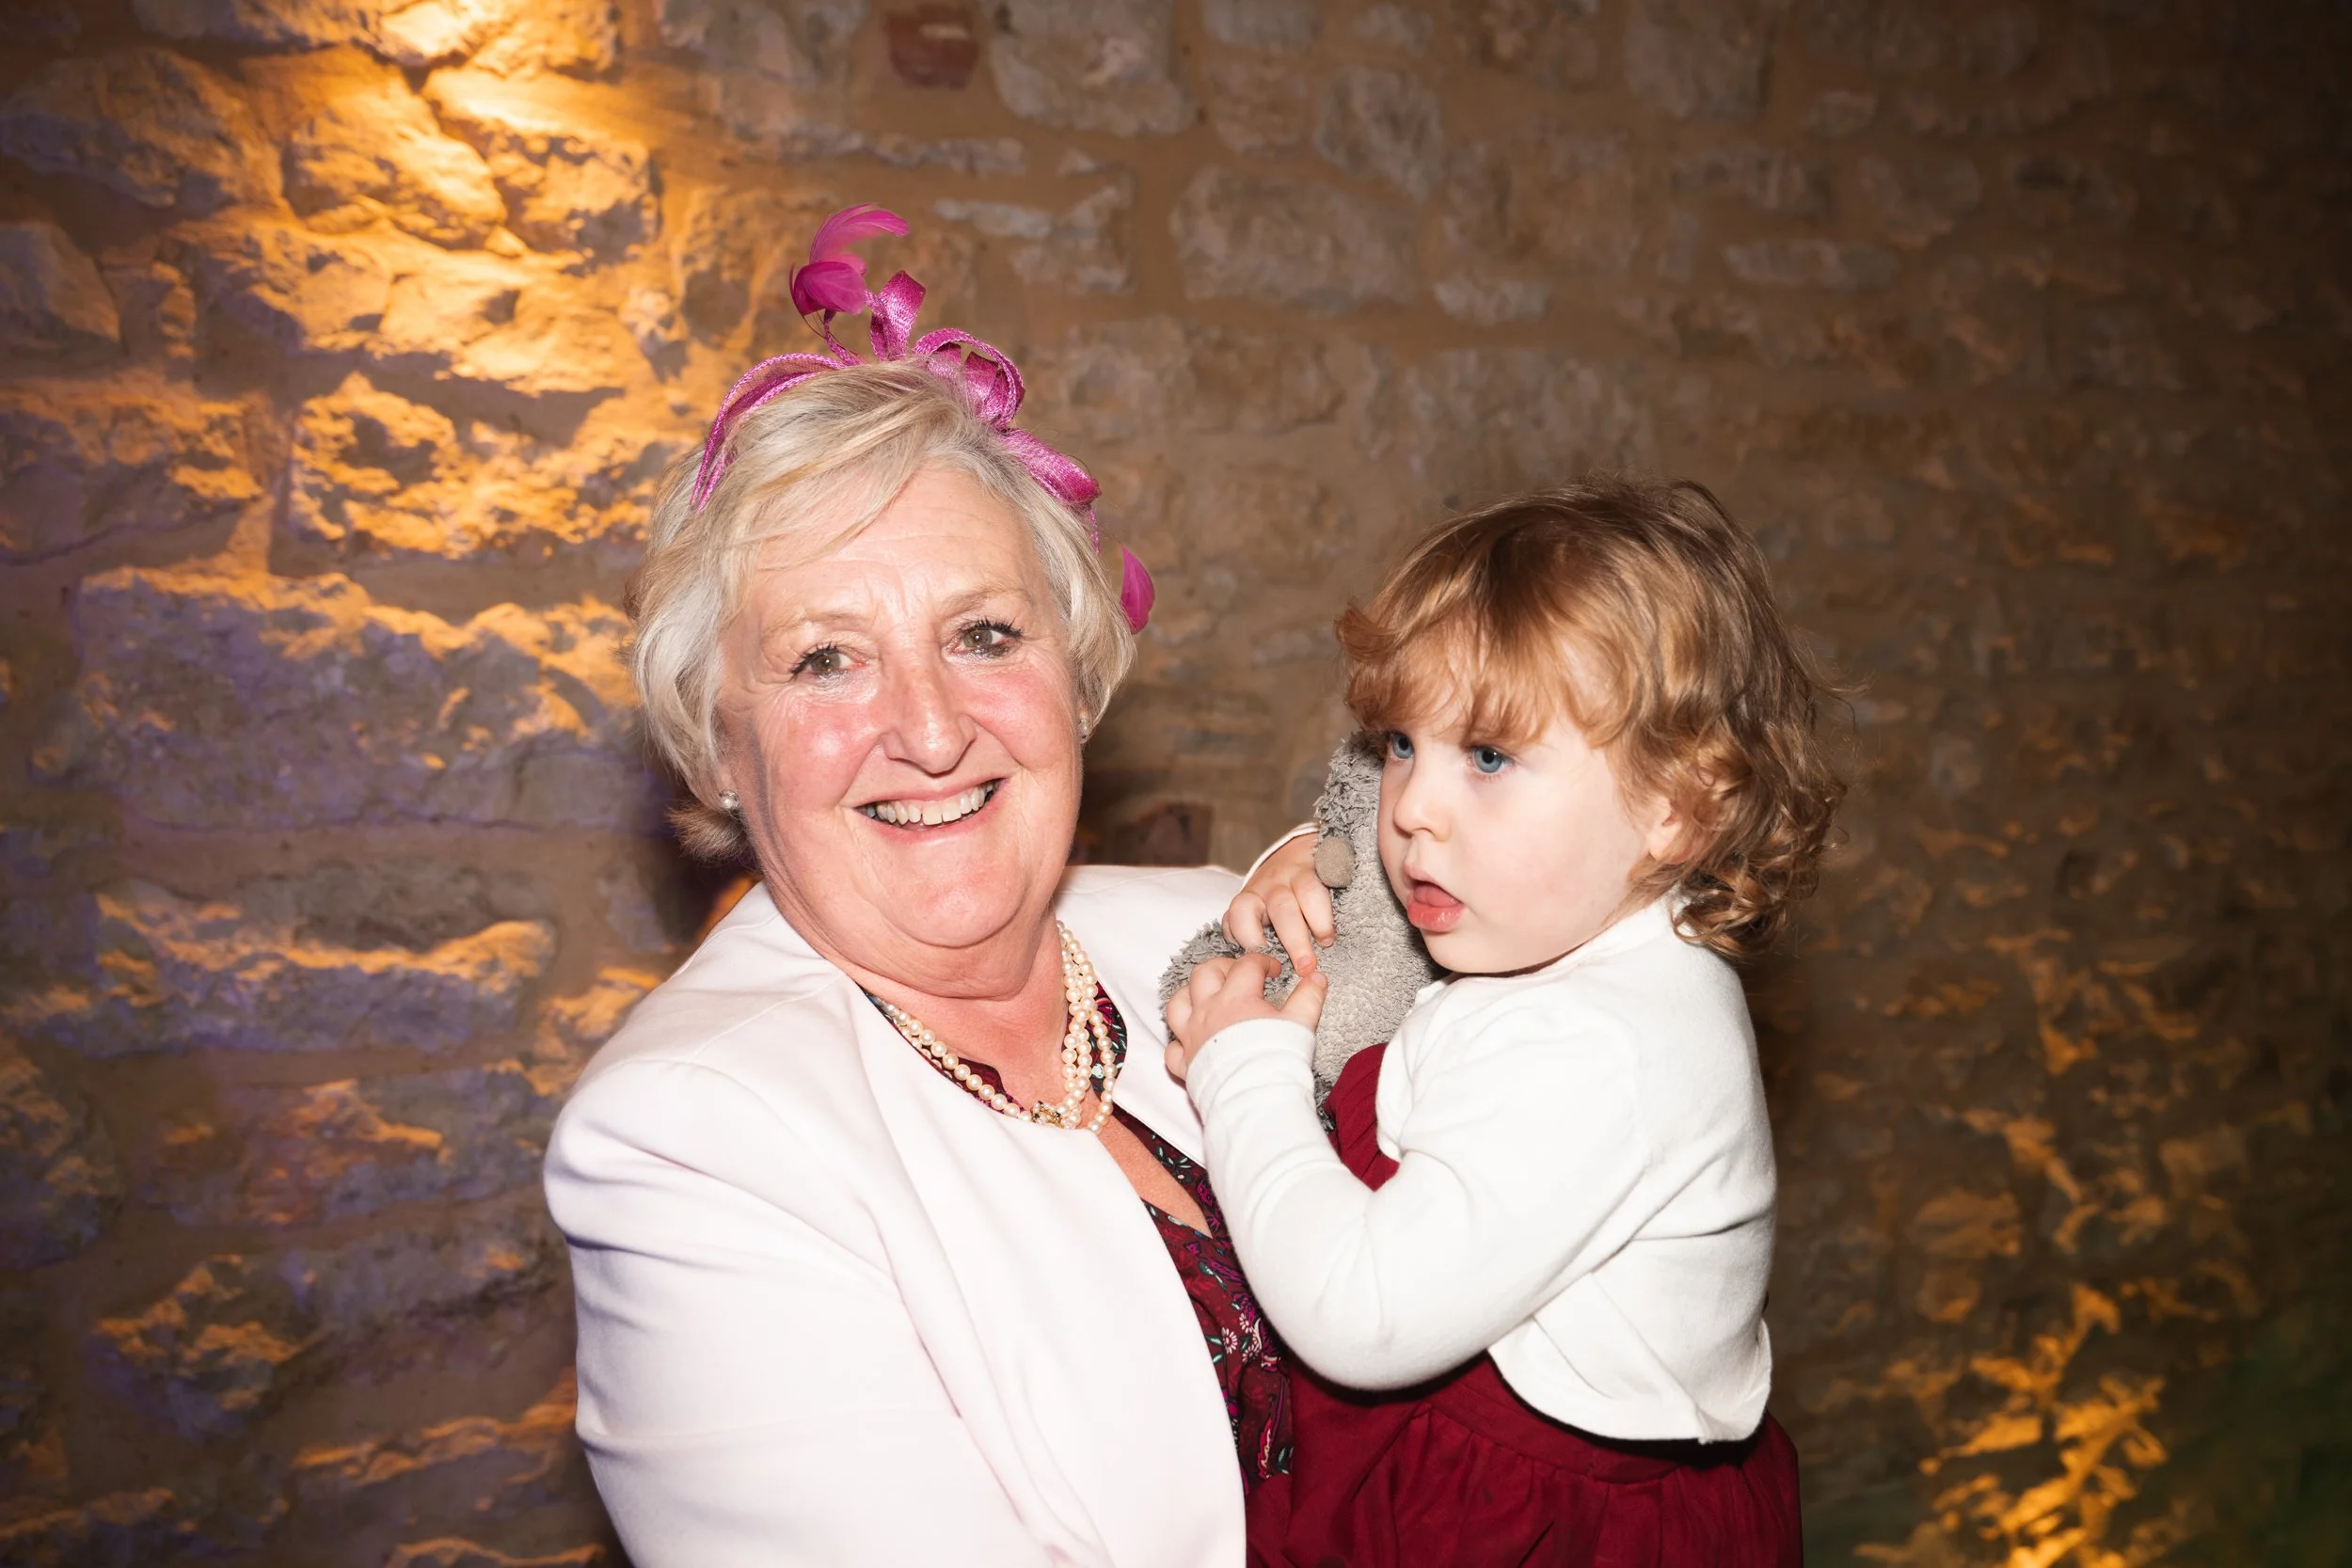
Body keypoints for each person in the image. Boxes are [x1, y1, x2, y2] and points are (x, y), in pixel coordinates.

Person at [544, 205, 1295, 1567]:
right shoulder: (690, 1137)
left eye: (984, 633)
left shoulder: (1218, 918)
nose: (933, 729)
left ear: (1074, 676)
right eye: (827, 658)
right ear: (718, 746)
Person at [1166, 480, 1843, 1566]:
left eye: (1487, 757)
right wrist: (1312, 864)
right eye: (1400, 743)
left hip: (1536, 1523)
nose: (1410, 809)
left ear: (1675, 806)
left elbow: (1359, 1312)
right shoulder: (1573, 930)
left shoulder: (1603, 1050)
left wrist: (1244, 1067)